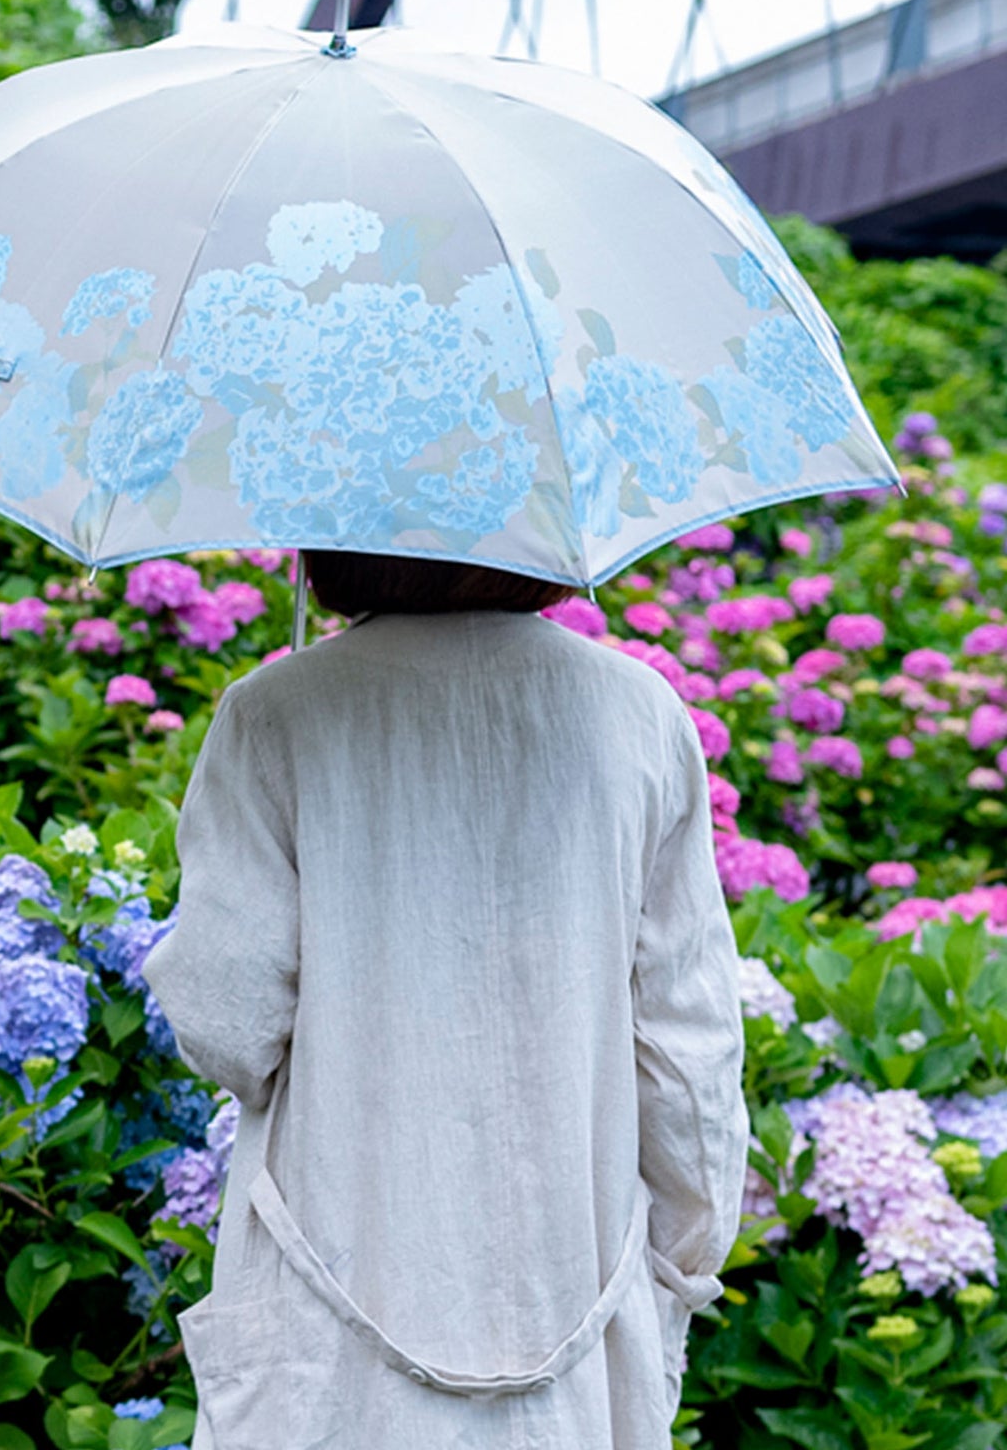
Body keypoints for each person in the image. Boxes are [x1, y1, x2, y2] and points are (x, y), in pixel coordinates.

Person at [142, 551, 749, 1450]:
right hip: (573, 1300)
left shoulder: (276, 714)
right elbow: (689, 1058)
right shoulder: (640, 715)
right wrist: (681, 1264)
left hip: (334, 1299)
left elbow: (227, 1026)